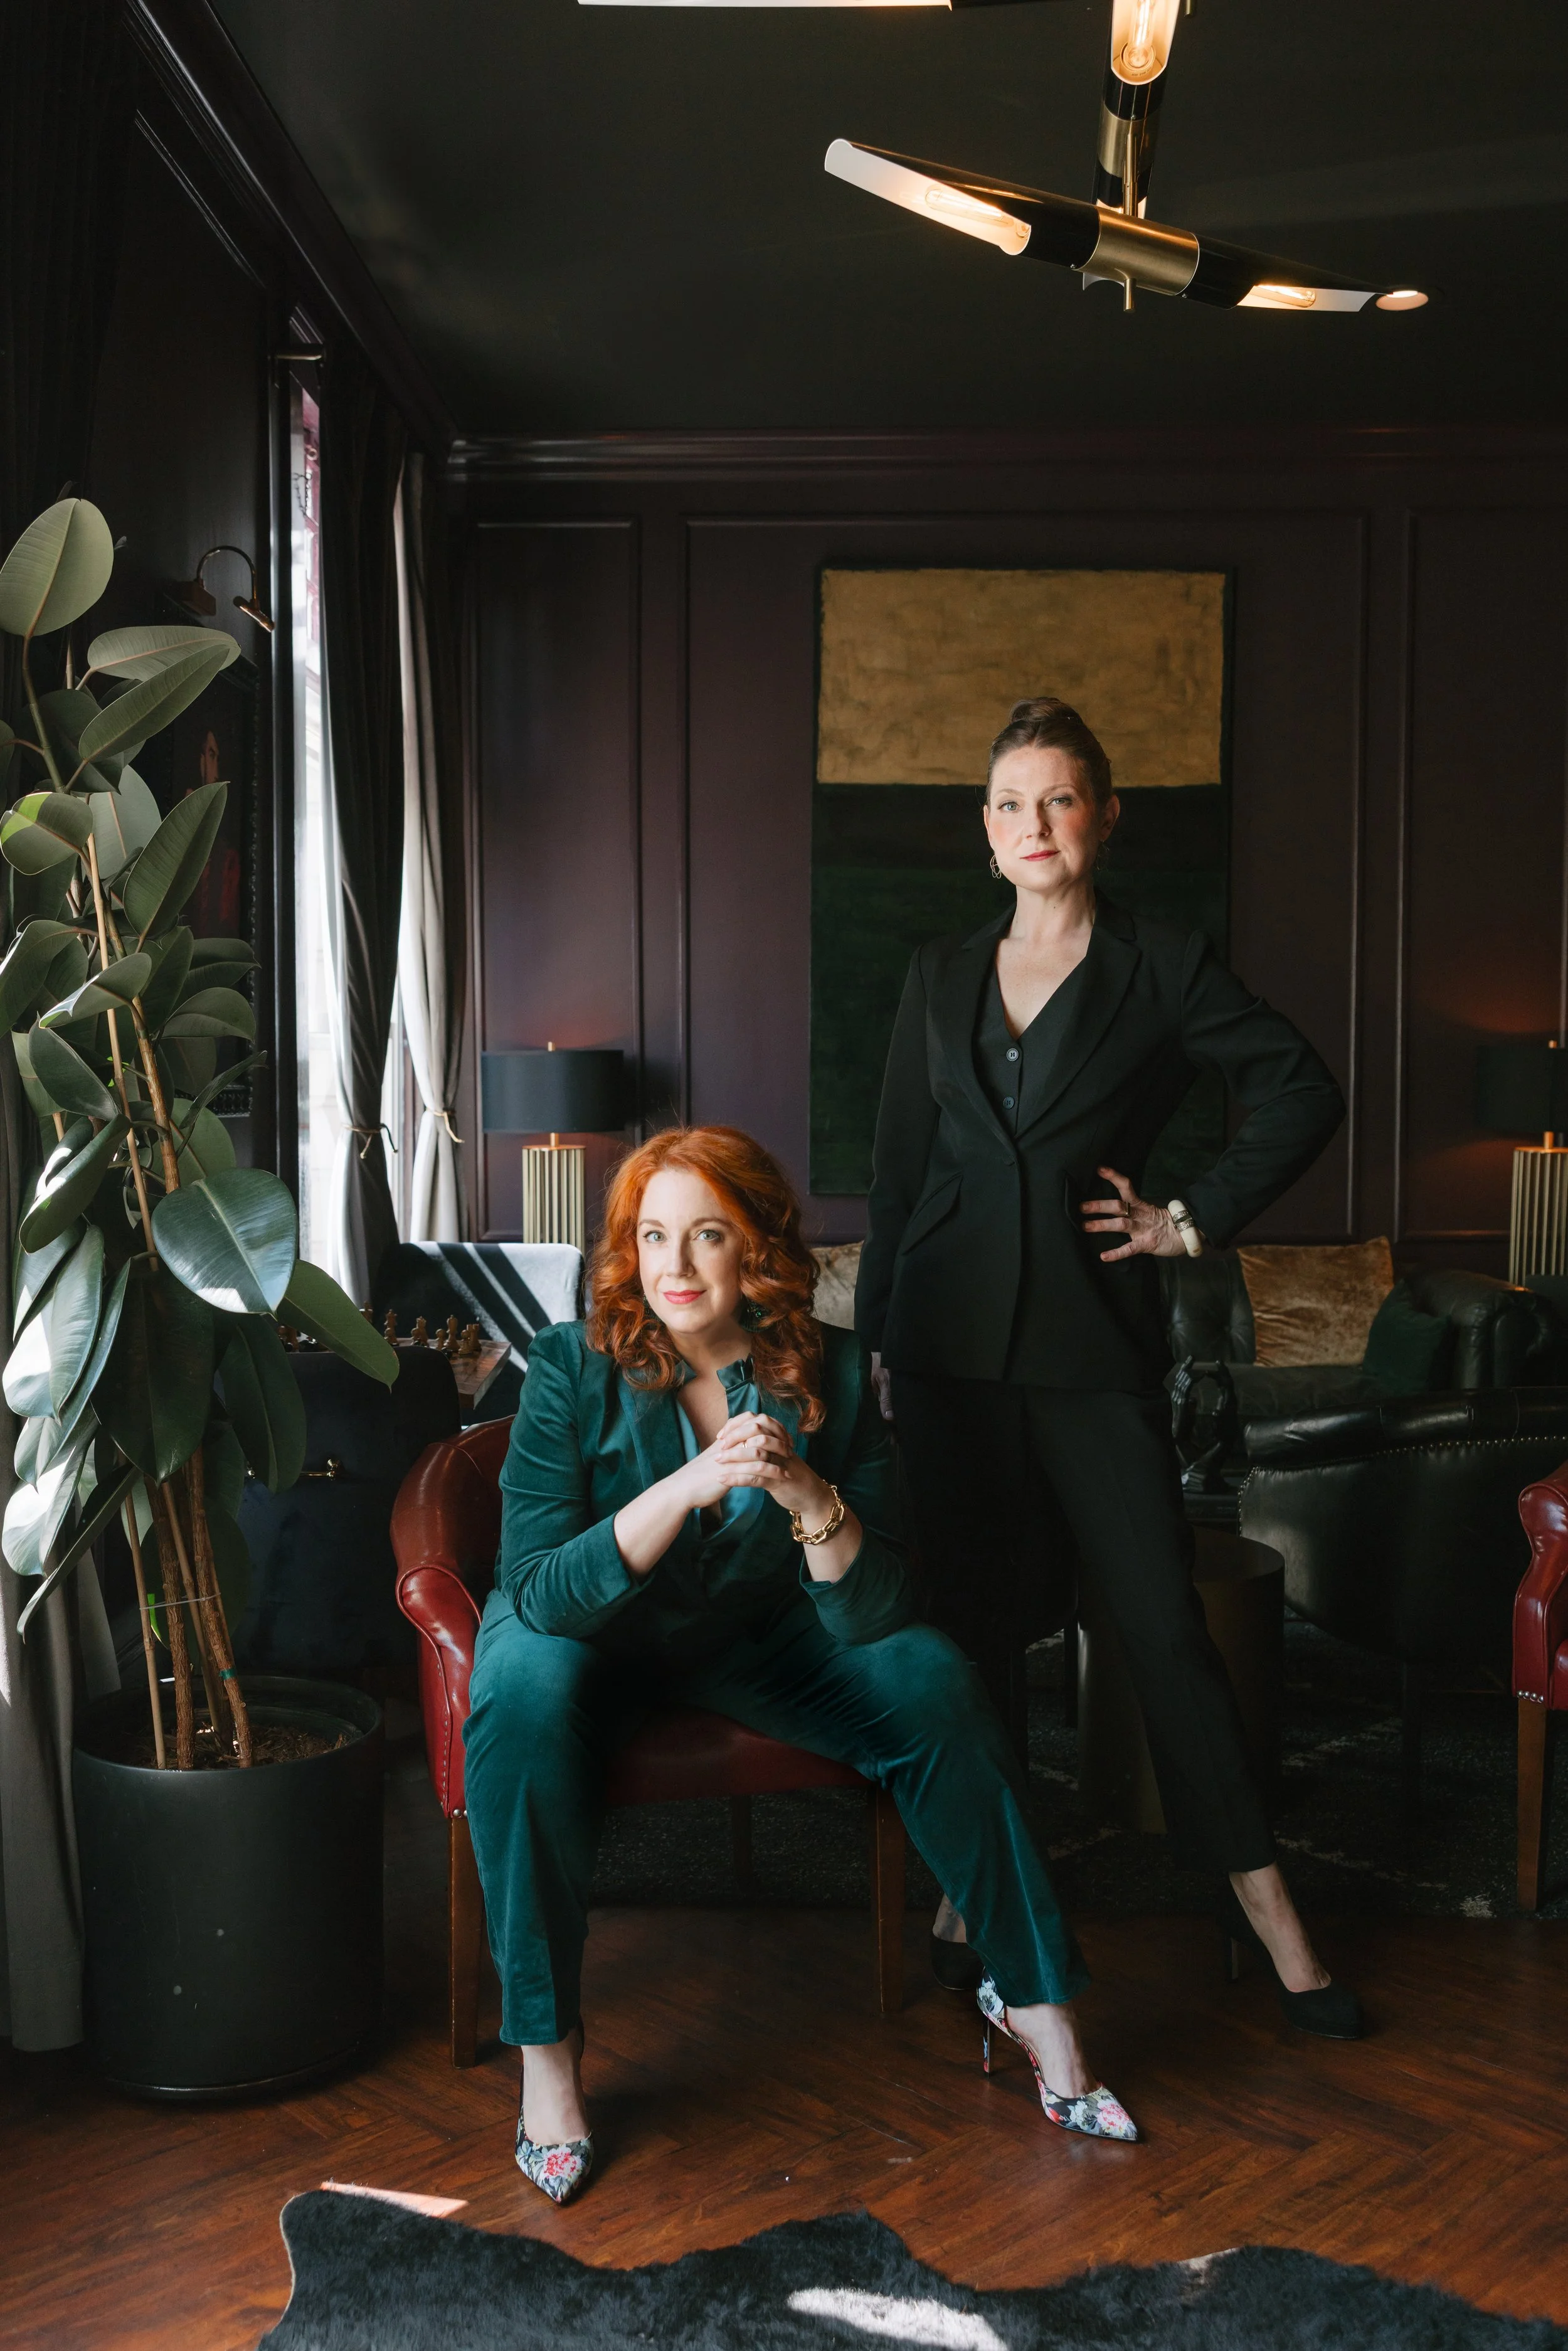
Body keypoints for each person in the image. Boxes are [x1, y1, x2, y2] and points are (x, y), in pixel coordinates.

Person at [464, 1123, 1138, 2207]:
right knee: (520, 1695)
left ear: (758, 1251)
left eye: (707, 1236)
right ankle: (549, 2052)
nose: (675, 1268)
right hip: (585, 1628)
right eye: (652, 1237)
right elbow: (537, 1587)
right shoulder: (567, 1365)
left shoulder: (816, 1362)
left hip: (753, 1633)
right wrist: (683, 1490)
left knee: (931, 1678)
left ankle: (1036, 2003)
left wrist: (808, 1498)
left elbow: (879, 1605)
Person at [856, 695, 1361, 2041]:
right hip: (949, 1356)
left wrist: (1182, 1217)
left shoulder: (1163, 965)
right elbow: (901, 1179)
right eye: (1010, 803)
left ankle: (1271, 1919)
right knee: (969, 1642)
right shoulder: (936, 974)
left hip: (1090, 1353)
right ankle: (980, 1904)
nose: (1034, 826)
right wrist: (885, 1352)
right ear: (984, 829)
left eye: (1059, 800)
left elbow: (1302, 1088)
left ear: (1103, 816)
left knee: (1161, 1631)